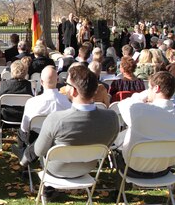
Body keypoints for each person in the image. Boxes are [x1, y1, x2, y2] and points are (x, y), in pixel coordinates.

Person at [33, 65, 118, 197]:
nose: (64, 86)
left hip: (57, 169)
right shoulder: (111, 118)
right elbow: (107, 145)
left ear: (73, 91)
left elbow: (39, 151)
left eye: (66, 84)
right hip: (88, 166)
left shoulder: (56, 119)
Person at [114, 71, 175, 178]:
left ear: (156, 88)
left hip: (134, 168)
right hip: (164, 167)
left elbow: (122, 104)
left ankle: (118, 192)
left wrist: (142, 96)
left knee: (118, 147)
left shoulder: (139, 110)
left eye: (149, 88)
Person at [13, 66, 71, 165]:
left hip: (36, 138)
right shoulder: (68, 101)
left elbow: (25, 128)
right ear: (57, 80)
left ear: (41, 82)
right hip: (61, 137)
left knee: (21, 132)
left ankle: (24, 154)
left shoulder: (32, 102)